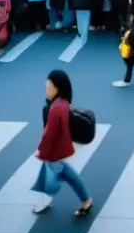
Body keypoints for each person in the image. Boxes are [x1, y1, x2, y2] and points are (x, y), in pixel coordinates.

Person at [31, 69, 94, 217]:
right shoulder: (62, 103)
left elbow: (49, 134)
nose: (46, 91)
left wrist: (40, 151)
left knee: (52, 176)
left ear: (56, 89)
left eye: (48, 88)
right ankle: (86, 200)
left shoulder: (56, 108)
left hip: (55, 150)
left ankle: (45, 199)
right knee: (68, 174)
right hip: (60, 147)